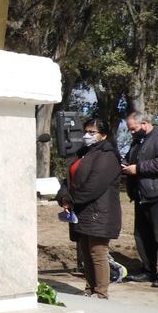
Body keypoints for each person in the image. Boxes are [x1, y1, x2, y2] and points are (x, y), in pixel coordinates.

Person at [55, 118, 122, 299]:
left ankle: (101, 292)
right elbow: (67, 180)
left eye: (92, 133)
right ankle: (89, 288)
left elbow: (94, 185)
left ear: (104, 135)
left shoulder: (107, 156)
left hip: (99, 211)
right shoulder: (82, 153)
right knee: (85, 251)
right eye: (86, 132)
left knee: (98, 252)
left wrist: (72, 199)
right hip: (81, 209)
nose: (87, 136)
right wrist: (64, 198)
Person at [122, 111, 158, 288]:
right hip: (142, 195)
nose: (131, 133)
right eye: (129, 130)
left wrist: (138, 169)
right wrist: (124, 164)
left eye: (133, 129)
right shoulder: (138, 142)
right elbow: (129, 159)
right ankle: (148, 271)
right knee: (142, 236)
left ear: (145, 123)